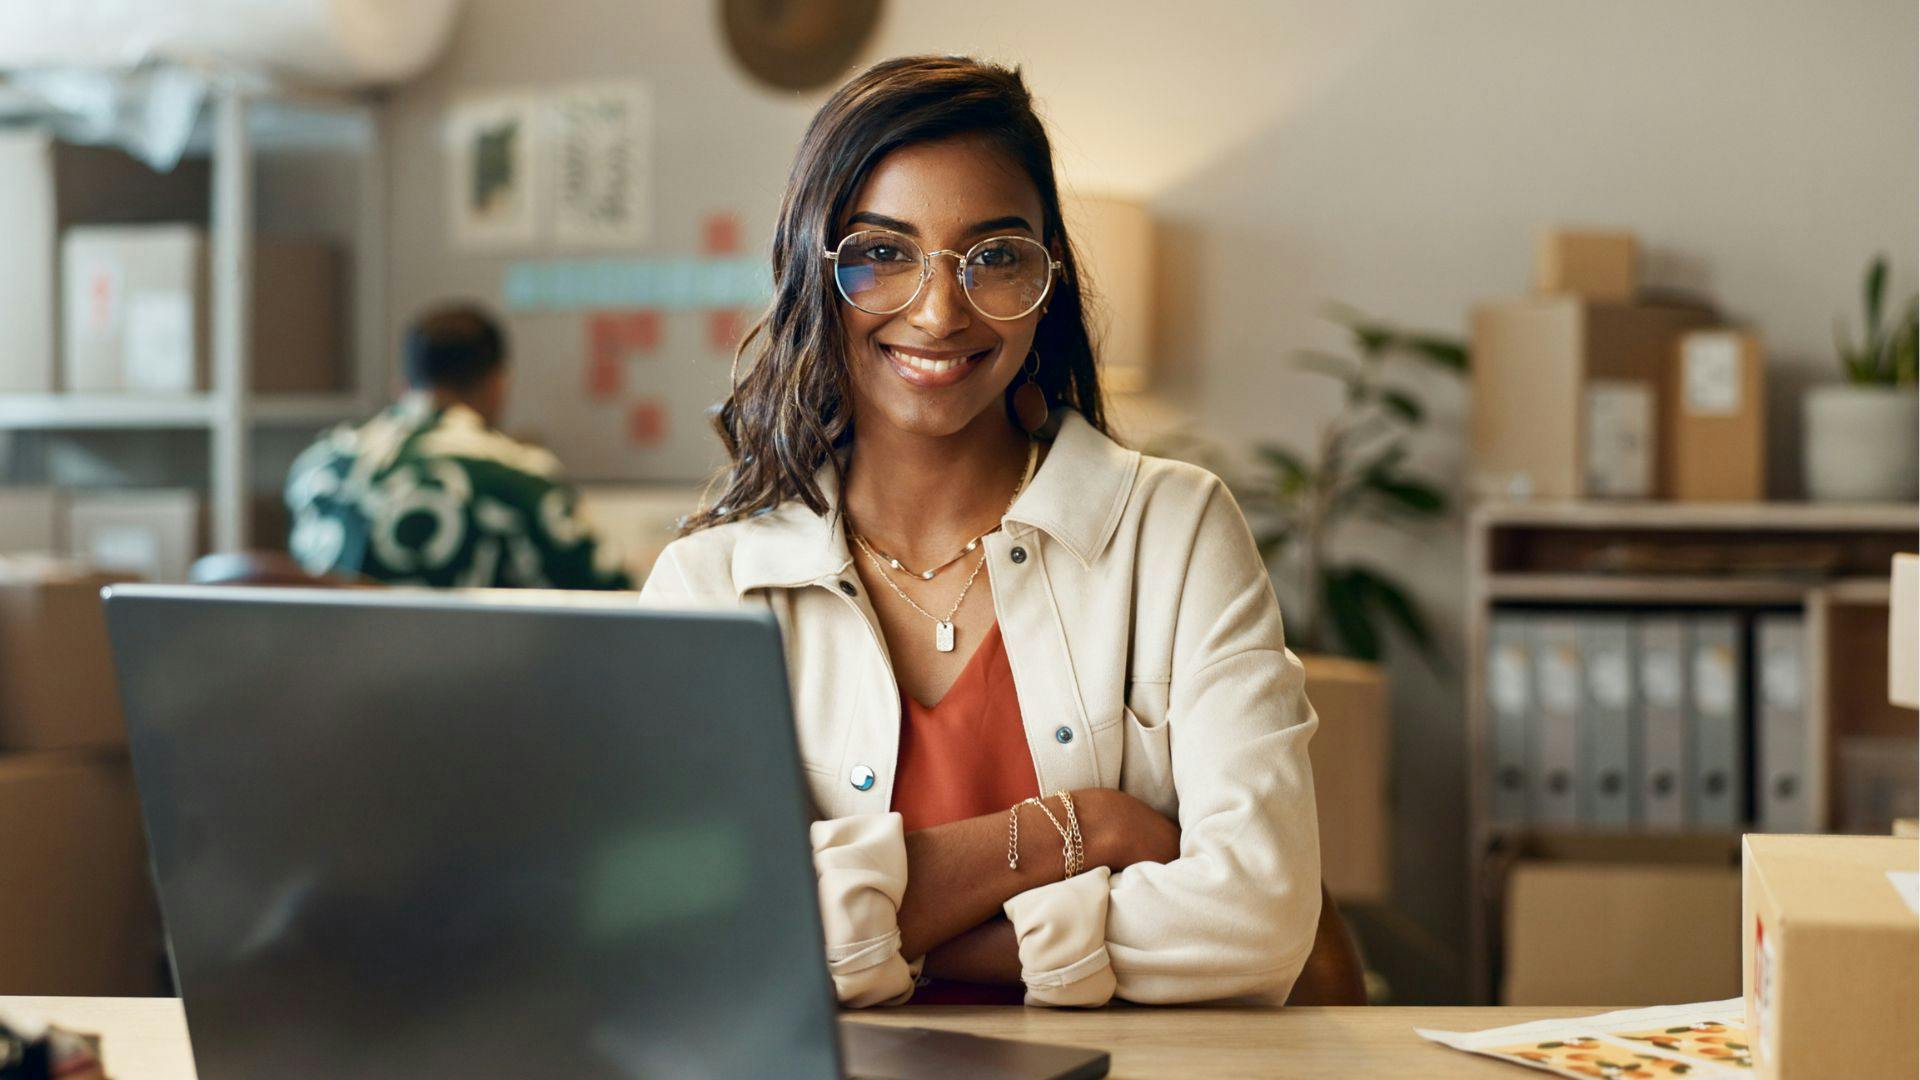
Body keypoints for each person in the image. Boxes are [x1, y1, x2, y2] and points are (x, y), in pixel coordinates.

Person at [639, 56, 1320, 1008]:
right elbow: (686, 936)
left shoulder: (1175, 529)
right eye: (882, 252)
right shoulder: (710, 586)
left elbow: (1259, 920)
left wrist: (872, 945)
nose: (938, 309)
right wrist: (1070, 830)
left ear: (1048, 280)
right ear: (812, 271)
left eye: (995, 255)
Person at [286, 303, 633, 590]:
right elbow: (613, 595)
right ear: (498, 384)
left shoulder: (321, 465)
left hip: (329, 669)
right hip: (471, 671)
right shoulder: (519, 476)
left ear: (404, 384)